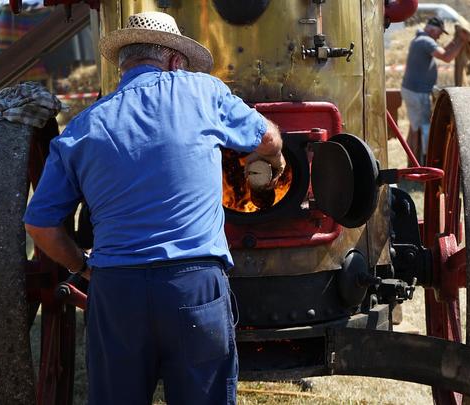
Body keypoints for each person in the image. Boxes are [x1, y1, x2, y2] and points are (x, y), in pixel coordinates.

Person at [23, 11, 285, 405]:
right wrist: (271, 161)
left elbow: (40, 225)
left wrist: (81, 266)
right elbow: (266, 137)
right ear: (175, 60)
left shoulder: (82, 127)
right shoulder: (204, 92)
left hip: (116, 292)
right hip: (193, 288)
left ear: (124, 64)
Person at [401, 16, 464, 165]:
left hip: (412, 90)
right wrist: (462, 41)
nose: (440, 36)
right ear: (431, 29)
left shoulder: (421, 40)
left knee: (414, 128)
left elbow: (443, 51)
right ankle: (421, 164)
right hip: (418, 93)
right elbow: (447, 57)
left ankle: (412, 163)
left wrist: (455, 41)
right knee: (423, 129)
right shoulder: (426, 41)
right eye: (439, 32)